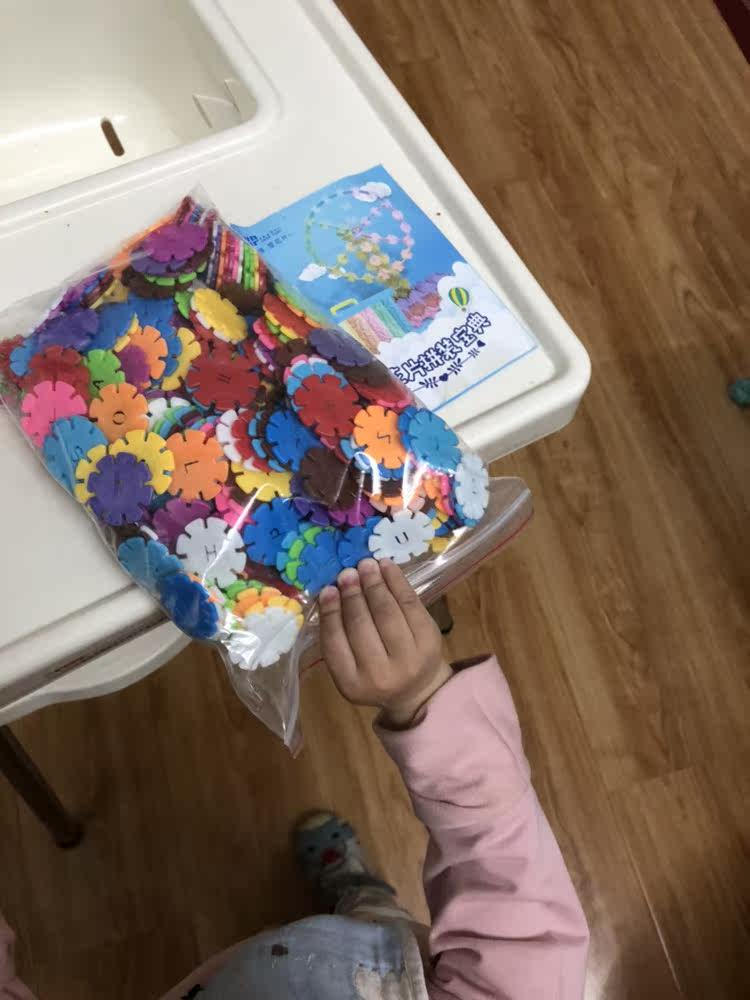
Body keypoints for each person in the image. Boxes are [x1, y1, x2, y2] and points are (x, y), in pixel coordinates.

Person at [1, 558, 589, 999]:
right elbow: (511, 877)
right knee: (372, 918)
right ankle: (361, 896)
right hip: (385, 963)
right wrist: (422, 696)